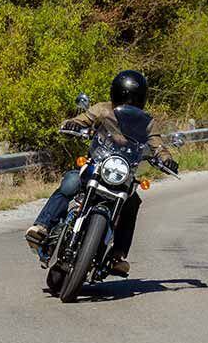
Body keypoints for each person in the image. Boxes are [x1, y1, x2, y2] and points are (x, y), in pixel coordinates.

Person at [24, 70, 177, 276]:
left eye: (134, 98)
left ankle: (117, 255)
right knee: (71, 181)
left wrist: (165, 159)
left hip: (123, 172)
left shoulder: (147, 122)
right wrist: (73, 124)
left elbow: (157, 145)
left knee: (132, 202)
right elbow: (83, 119)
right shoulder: (102, 109)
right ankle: (42, 227)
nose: (130, 102)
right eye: (127, 97)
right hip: (97, 164)